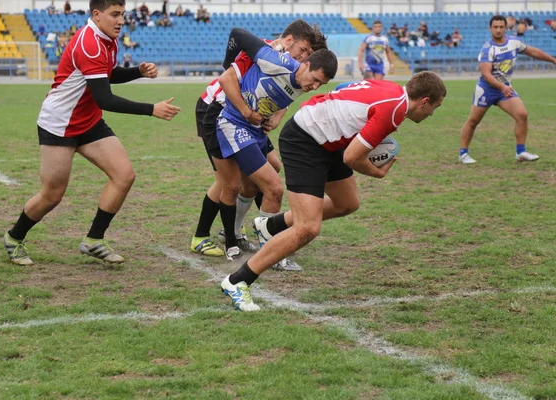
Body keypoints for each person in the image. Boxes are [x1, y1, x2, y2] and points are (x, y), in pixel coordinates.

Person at [221, 72, 447, 311]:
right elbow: (352, 158)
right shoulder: (393, 110)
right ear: (424, 101)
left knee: (347, 203)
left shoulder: (392, 89)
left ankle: (270, 225)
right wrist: (376, 172)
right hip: (304, 140)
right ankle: (238, 281)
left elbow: (346, 86)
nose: (432, 114)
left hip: (329, 141)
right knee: (307, 228)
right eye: (435, 107)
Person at [1, 0, 181, 266]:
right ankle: (14, 238)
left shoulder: (107, 38)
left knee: (124, 175)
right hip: (59, 124)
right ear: (96, 15)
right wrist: (151, 109)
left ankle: (94, 240)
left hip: (88, 121)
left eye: (123, 14)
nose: (121, 20)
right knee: (52, 195)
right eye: (114, 15)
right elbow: (104, 98)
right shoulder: (90, 42)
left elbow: (104, 74)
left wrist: (136, 72)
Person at [190, 20, 320, 264]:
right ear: (289, 40)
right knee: (230, 181)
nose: (303, 57)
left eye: (308, 54)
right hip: (216, 109)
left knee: (270, 169)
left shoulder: (289, 66)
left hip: (245, 120)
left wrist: (276, 117)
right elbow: (227, 77)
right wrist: (248, 112)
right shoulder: (263, 52)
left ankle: (235, 231)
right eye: (302, 50)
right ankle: (201, 236)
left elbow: (287, 92)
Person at [459, 15, 556, 164]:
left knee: (522, 114)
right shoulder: (488, 48)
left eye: (501, 27)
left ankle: (521, 152)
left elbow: (534, 52)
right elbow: (486, 74)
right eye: (495, 27)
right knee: (473, 121)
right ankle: (463, 154)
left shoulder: (514, 42)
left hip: (504, 90)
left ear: (505, 27)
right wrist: (502, 87)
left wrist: (553, 60)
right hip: (487, 90)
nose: (498, 30)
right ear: (490, 28)